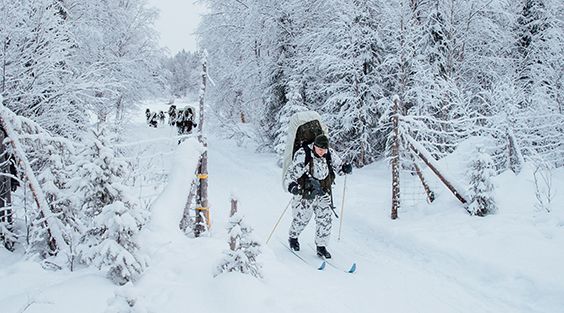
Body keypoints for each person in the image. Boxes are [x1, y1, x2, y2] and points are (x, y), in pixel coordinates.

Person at [284, 134, 352, 259]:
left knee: (325, 219)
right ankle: (293, 237)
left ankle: (321, 247)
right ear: (314, 146)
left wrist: (345, 168)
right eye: (320, 149)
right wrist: (292, 186)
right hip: (306, 193)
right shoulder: (303, 154)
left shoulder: (329, 153)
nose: (322, 152)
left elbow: (339, 168)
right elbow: (290, 174)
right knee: (302, 218)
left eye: (324, 149)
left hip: (323, 193)